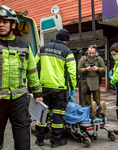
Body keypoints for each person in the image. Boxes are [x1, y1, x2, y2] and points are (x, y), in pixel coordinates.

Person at [0, 5, 43, 150]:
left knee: (23, 139)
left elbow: (32, 70)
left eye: (5, 21)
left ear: (13, 24)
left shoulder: (24, 46)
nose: (1, 24)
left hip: (19, 99)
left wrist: (38, 93)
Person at [34, 29, 77, 148]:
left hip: (43, 87)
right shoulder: (67, 51)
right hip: (59, 89)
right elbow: (72, 72)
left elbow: (33, 66)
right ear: (66, 41)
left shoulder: (43, 48)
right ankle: (55, 140)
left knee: (42, 114)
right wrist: (72, 87)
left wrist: (34, 85)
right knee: (58, 114)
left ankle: (40, 139)